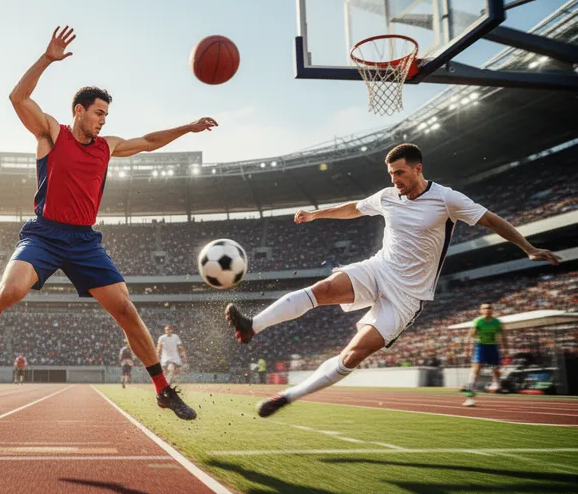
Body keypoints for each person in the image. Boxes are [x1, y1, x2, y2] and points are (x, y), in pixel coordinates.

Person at [0, 26, 218, 420]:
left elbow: (149, 141)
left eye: (107, 115)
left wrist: (187, 127)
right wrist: (47, 58)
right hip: (45, 234)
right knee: (11, 291)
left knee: (126, 309)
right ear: (79, 111)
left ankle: (162, 389)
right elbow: (18, 97)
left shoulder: (108, 146)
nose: (103, 120)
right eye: (99, 113)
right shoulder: (52, 134)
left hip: (84, 240)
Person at [224, 143, 561, 418]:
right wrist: (316, 214)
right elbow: (355, 208)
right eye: (391, 174)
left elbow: (492, 220)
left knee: (353, 354)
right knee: (322, 289)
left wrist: (528, 247)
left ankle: (288, 397)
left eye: (400, 172)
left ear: (418, 168)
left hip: (407, 297)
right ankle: (253, 325)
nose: (395, 179)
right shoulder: (388, 196)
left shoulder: (447, 199)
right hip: (378, 269)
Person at [463, 303, 505, 406]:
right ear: (481, 311)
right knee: (475, 370)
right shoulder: (478, 321)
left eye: (489, 308)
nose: (487, 310)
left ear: (492, 310)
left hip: (493, 347)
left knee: (496, 370)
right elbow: (471, 334)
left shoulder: (497, 322)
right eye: (485, 308)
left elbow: (503, 335)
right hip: (481, 347)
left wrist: (505, 349)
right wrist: (468, 346)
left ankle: (496, 385)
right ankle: (470, 397)